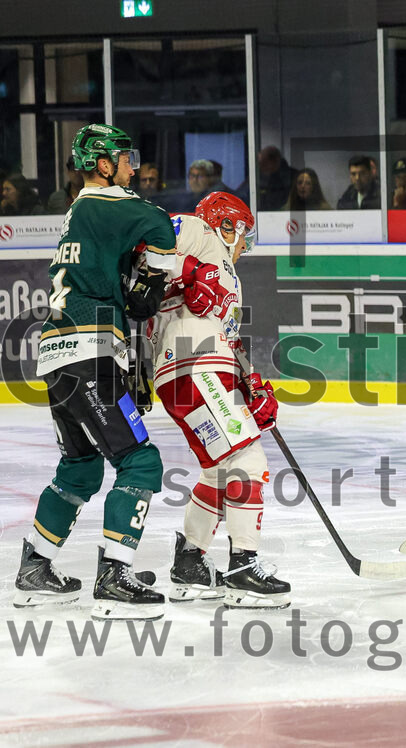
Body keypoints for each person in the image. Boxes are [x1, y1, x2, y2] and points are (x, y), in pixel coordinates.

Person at [14, 123, 176, 620]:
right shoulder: (108, 203)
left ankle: (35, 567)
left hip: (59, 355)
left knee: (81, 467)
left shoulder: (79, 212)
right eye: (125, 158)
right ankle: (114, 577)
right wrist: (154, 275)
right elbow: (163, 226)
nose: (132, 167)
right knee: (140, 462)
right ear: (103, 164)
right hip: (89, 351)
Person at [150, 191, 289, 608]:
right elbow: (146, 249)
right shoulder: (198, 230)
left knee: (218, 469)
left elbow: (228, 338)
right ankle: (244, 569)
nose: (245, 245)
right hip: (193, 363)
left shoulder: (232, 278)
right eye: (243, 234)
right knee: (248, 460)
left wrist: (250, 384)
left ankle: (190, 564)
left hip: (198, 369)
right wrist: (191, 270)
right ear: (227, 225)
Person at [256, 145, 297, 212]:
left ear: (272, 161)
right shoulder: (259, 176)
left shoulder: (293, 178)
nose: (260, 167)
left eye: (263, 163)